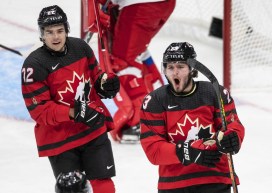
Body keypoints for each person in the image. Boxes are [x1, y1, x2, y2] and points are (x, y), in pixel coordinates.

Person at [21, 5, 120, 193]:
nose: (56, 37)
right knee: (72, 189)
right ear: (41, 34)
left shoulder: (80, 48)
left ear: (67, 30)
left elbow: (96, 77)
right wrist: (74, 112)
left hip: (92, 128)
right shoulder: (33, 66)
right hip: (61, 139)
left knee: (104, 186)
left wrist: (105, 84)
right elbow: (39, 111)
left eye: (60, 31)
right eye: (49, 32)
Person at [139, 42, 245, 193]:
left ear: (192, 69)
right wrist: (188, 151)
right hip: (174, 184)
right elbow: (153, 150)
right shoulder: (155, 101)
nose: (175, 72)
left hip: (215, 178)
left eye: (180, 67)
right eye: (170, 67)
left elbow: (233, 126)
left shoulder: (214, 92)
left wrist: (233, 138)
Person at [83, 0, 176, 142]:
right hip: (161, 4)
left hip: (140, 5)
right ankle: (156, 115)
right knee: (133, 53)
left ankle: (139, 122)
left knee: (123, 60)